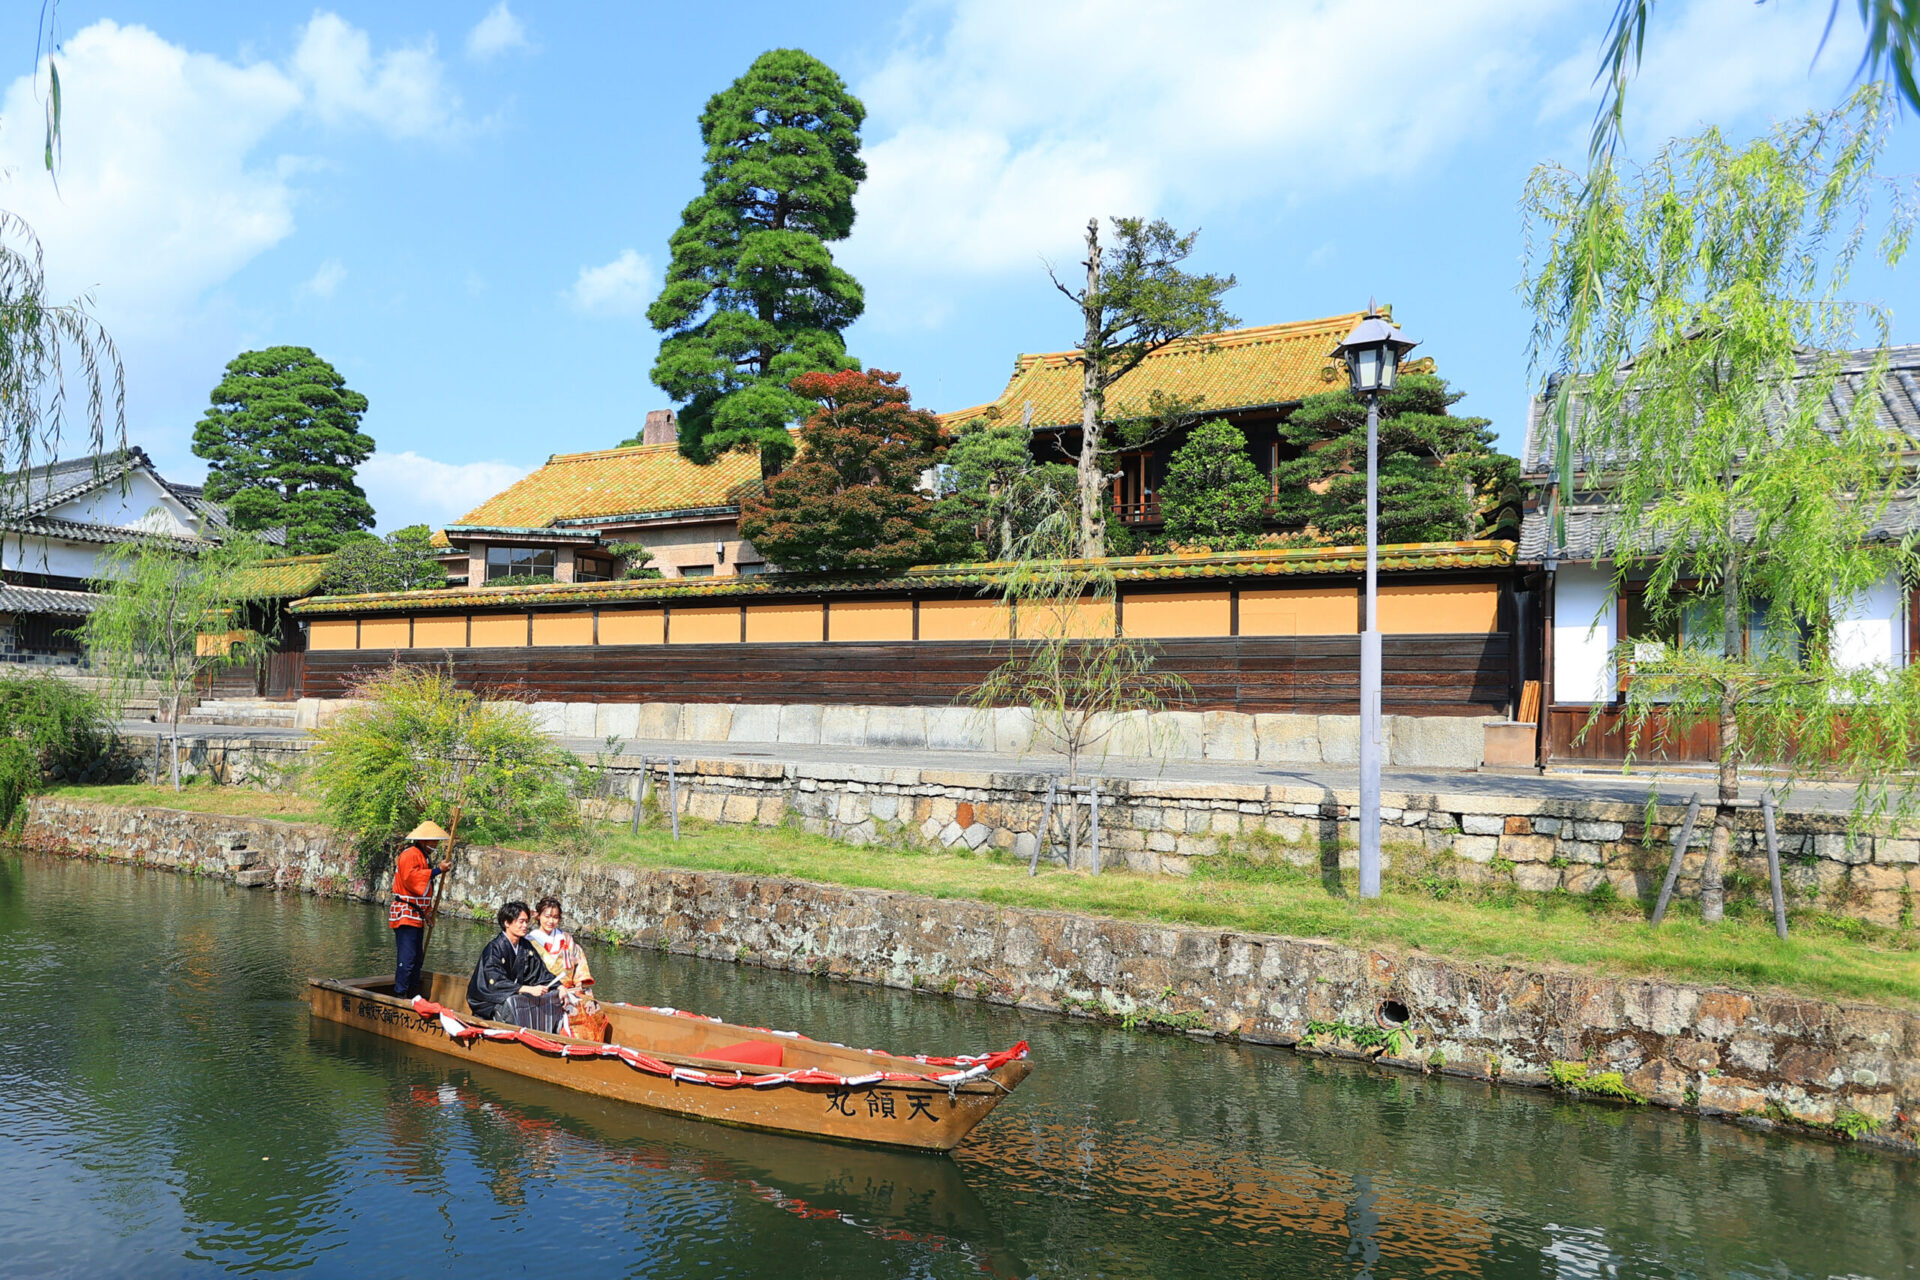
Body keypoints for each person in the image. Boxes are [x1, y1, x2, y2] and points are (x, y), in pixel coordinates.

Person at [466, 900, 563, 1031]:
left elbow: (539, 972)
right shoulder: (494, 948)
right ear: (507, 922)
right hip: (489, 1000)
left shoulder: (525, 946)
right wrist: (526, 989)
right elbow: (495, 982)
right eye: (521, 921)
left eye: (526, 922)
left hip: (513, 993)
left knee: (549, 997)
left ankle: (544, 1032)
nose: (525, 926)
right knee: (511, 1003)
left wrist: (559, 986)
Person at [388, 820, 452, 999]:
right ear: (424, 841)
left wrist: (428, 913)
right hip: (406, 914)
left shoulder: (423, 856)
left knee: (417, 959)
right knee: (407, 959)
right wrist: (437, 870)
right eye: (433, 842)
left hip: (417, 914)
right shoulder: (410, 855)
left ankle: (414, 993)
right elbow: (412, 879)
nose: (436, 845)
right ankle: (401, 994)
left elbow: (424, 891)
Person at [528, 897, 599, 1033]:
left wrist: (579, 984)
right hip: (544, 992)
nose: (551, 921)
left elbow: (579, 961)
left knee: (592, 1012)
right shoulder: (530, 941)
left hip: (570, 991)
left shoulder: (566, 939)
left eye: (555, 917)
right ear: (538, 916)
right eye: (547, 916)